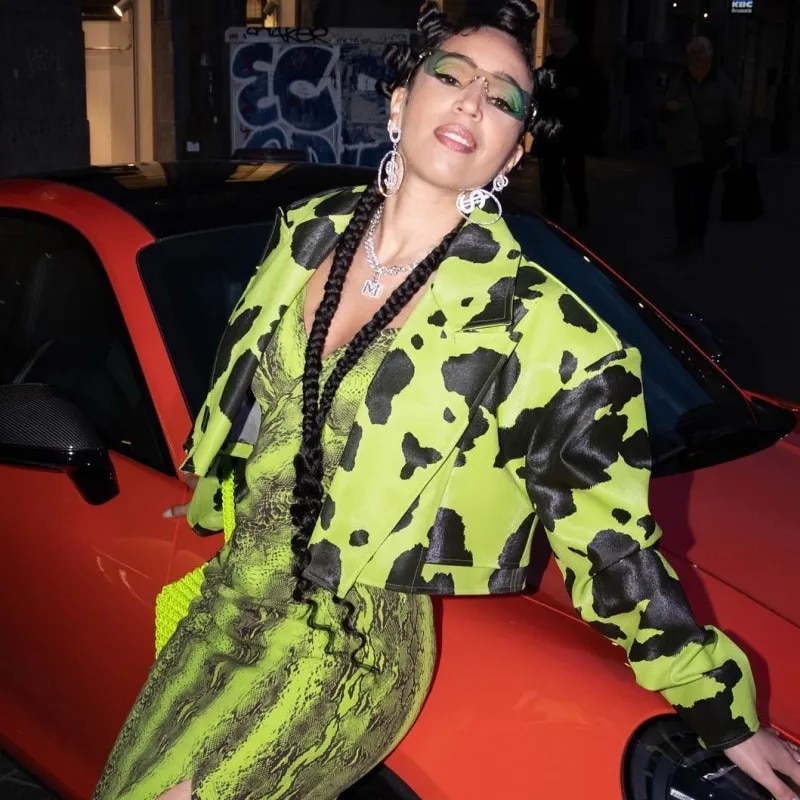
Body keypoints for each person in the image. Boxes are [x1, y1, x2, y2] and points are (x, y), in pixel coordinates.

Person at [94, 2, 800, 799]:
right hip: (230, 600)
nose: (472, 101)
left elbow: (610, 545)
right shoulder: (308, 232)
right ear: (401, 101)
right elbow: (253, 399)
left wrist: (724, 713)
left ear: (514, 149)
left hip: (346, 645)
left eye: (502, 98)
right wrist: (213, 487)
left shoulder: (542, 329)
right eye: (452, 76)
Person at [663, 36, 743, 255]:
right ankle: (683, 241)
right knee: (681, 199)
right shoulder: (680, 81)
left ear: (710, 54)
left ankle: (697, 237)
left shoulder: (722, 83)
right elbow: (662, 107)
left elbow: (734, 111)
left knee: (701, 198)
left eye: (701, 52)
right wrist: (667, 108)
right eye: (693, 53)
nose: (697, 57)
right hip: (681, 149)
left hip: (707, 151)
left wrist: (736, 137)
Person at [535, 19, 606, 228]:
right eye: (553, 41)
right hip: (554, 130)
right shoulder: (551, 64)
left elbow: (598, 94)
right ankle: (553, 217)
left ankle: (579, 214)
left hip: (574, 129)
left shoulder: (584, 65)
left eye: (559, 41)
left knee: (574, 175)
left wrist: (579, 95)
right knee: (552, 177)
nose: (556, 44)